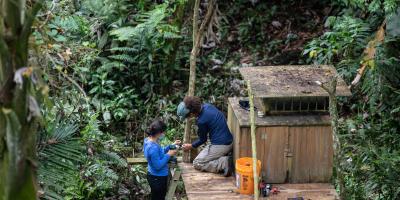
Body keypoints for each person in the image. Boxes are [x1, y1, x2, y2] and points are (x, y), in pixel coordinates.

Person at [176, 96, 233, 176]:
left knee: (197, 162)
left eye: (187, 116)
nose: (188, 118)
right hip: (228, 139)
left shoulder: (201, 121)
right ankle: (223, 158)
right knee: (205, 155)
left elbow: (203, 139)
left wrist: (191, 146)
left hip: (222, 145)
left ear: (192, 113)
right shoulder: (207, 106)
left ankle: (223, 163)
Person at [143, 119, 181, 200]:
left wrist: (171, 145)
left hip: (154, 176)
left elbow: (159, 152)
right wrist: (169, 154)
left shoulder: (148, 140)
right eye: (163, 132)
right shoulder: (153, 148)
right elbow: (158, 166)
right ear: (159, 133)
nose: (164, 134)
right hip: (157, 178)